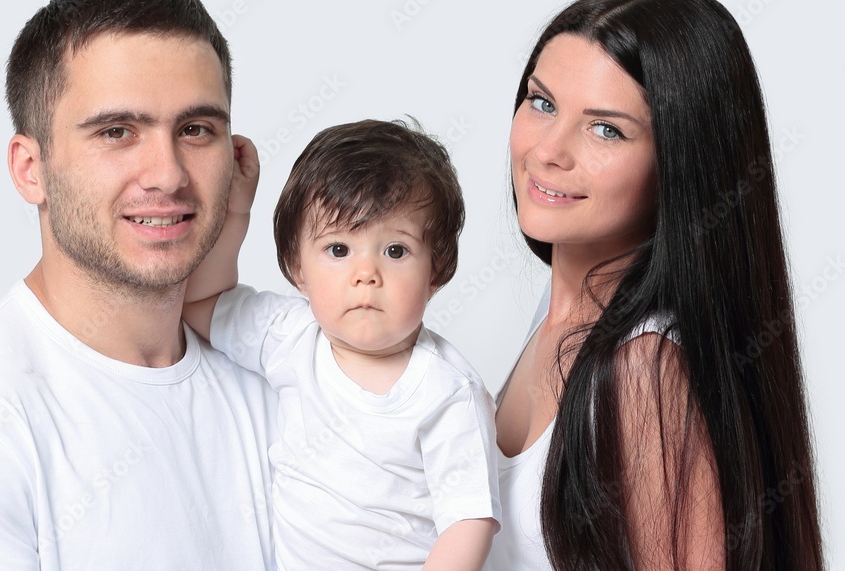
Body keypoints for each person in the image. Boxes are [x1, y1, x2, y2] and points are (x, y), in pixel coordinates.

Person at [0, 1, 278, 569]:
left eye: (195, 130)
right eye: (117, 132)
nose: (167, 174)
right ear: (29, 169)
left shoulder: (280, 374)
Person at [485, 0, 825, 569]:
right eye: (542, 102)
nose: (548, 151)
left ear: (682, 162)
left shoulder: (643, 368)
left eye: (605, 130)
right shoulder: (562, 312)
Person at [183, 119, 501, 570]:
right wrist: (236, 214)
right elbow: (200, 301)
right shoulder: (289, 336)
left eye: (395, 251)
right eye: (338, 250)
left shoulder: (448, 392)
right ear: (297, 266)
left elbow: (468, 521)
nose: (366, 273)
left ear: (438, 269)